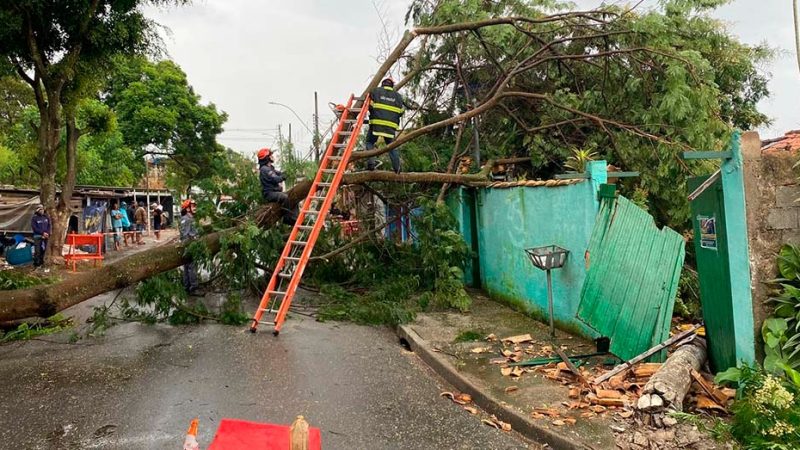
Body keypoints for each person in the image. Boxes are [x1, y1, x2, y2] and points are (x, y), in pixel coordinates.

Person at [366, 77, 410, 173]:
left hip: (376, 124)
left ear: (382, 84)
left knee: (370, 142)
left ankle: (371, 164)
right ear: (392, 85)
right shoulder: (398, 96)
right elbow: (401, 111)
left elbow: (370, 106)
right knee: (391, 147)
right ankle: (397, 168)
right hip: (390, 127)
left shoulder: (375, 92)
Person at [258, 148, 298, 225]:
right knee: (285, 197)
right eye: (270, 155)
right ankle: (287, 218)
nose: (272, 157)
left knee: (293, 195)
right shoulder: (265, 169)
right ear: (267, 158)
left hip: (275, 192)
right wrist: (283, 177)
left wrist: (288, 172)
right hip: (269, 194)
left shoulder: (270, 168)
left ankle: (295, 217)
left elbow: (279, 173)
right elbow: (277, 179)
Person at [179, 199, 203, 296]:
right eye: (193, 206)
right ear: (188, 209)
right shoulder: (187, 219)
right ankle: (193, 288)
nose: (195, 208)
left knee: (187, 267)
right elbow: (185, 235)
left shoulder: (189, 218)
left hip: (189, 245)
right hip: (189, 246)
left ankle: (187, 287)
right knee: (191, 267)